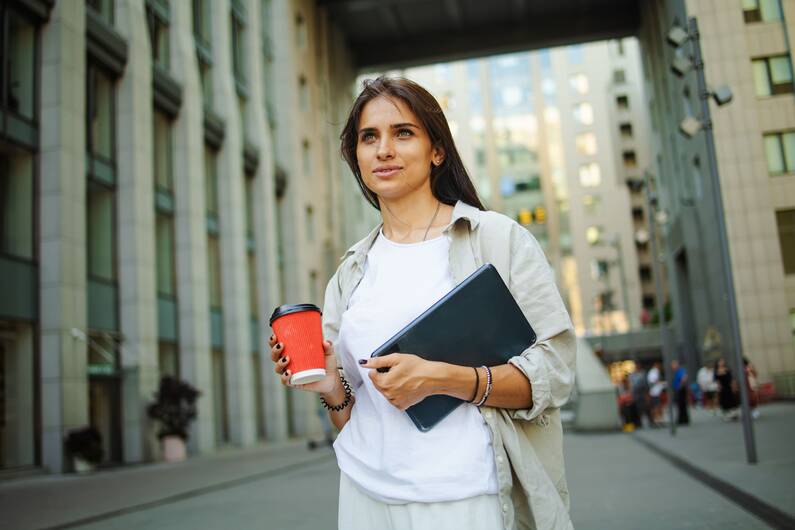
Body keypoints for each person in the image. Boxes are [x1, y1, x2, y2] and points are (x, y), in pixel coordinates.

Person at [269, 76, 576, 530]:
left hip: (466, 497)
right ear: (355, 155)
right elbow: (350, 413)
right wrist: (331, 387)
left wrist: (444, 379)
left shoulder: (497, 239)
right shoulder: (351, 272)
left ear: (438, 150)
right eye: (368, 137)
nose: (384, 150)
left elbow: (556, 373)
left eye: (403, 133)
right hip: (364, 497)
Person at [671, 359, 690, 425]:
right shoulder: (676, 371)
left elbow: (684, 378)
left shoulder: (680, 370)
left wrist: (680, 386)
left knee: (681, 405)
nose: (672, 367)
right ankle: (681, 419)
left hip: (680, 390)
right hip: (678, 389)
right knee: (679, 405)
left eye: (673, 365)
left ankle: (683, 420)